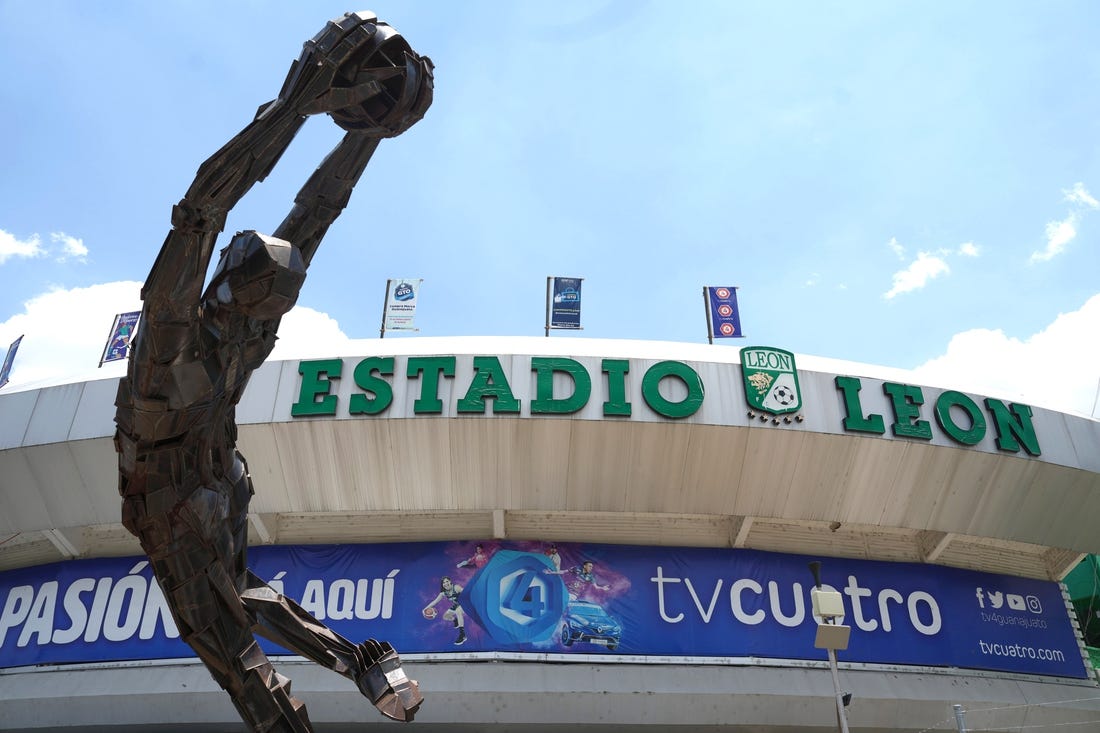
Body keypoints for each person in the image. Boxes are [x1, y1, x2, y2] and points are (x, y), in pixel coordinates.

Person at [114, 12, 432, 730]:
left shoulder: (245, 312)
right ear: (228, 290)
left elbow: (314, 211)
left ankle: (357, 663)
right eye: (259, 306)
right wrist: (296, 108)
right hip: (179, 491)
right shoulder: (172, 328)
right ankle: (360, 663)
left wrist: (364, 133)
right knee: (242, 640)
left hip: (204, 481)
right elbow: (203, 208)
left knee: (238, 630)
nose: (261, 318)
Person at [422, 576, 467, 645]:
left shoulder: (456, 587)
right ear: (442, 585)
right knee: (445, 616)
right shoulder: (443, 593)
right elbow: (435, 601)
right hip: (457, 605)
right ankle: (455, 620)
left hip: (465, 603)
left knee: (458, 611)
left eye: (447, 581)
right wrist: (425, 609)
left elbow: (467, 593)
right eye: (444, 582)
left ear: (450, 581)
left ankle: (462, 635)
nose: (446, 583)